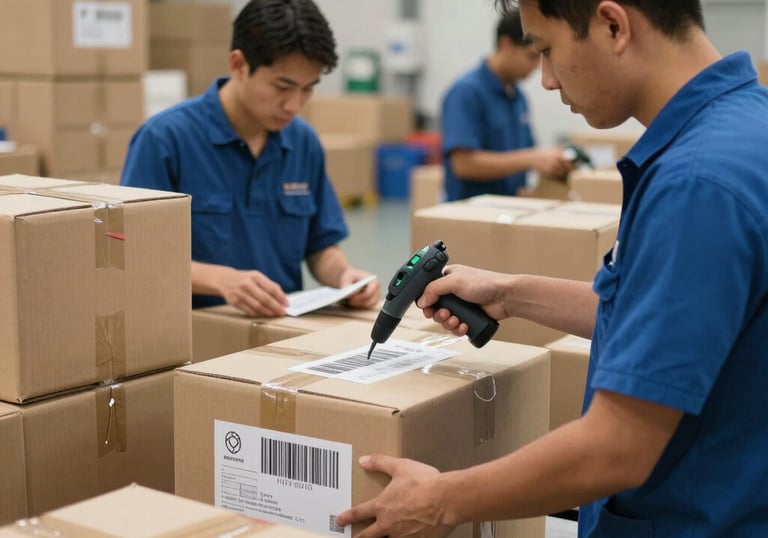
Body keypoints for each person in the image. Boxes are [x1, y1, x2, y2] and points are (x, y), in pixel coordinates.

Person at [336, 0, 768, 536]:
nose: (543, 79)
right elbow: (659, 317)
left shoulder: (697, 183)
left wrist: (442, 499)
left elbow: (616, 449)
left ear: (613, 25)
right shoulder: (745, 128)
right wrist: (509, 293)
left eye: (546, 48)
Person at [120, 0, 380, 316]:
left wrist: (344, 276)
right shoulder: (165, 140)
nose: (294, 105)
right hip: (196, 333)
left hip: (280, 333)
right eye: (283, 86)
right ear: (239, 64)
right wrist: (221, 281)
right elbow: (134, 257)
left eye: (308, 89)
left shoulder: (303, 142)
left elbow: (320, 246)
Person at [440, 9, 575, 201]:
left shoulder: (518, 96)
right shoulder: (466, 92)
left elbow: (520, 155)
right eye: (532, 56)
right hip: (470, 215)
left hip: (505, 211)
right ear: (505, 44)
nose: (537, 66)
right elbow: (463, 165)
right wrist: (532, 158)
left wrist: (522, 191)